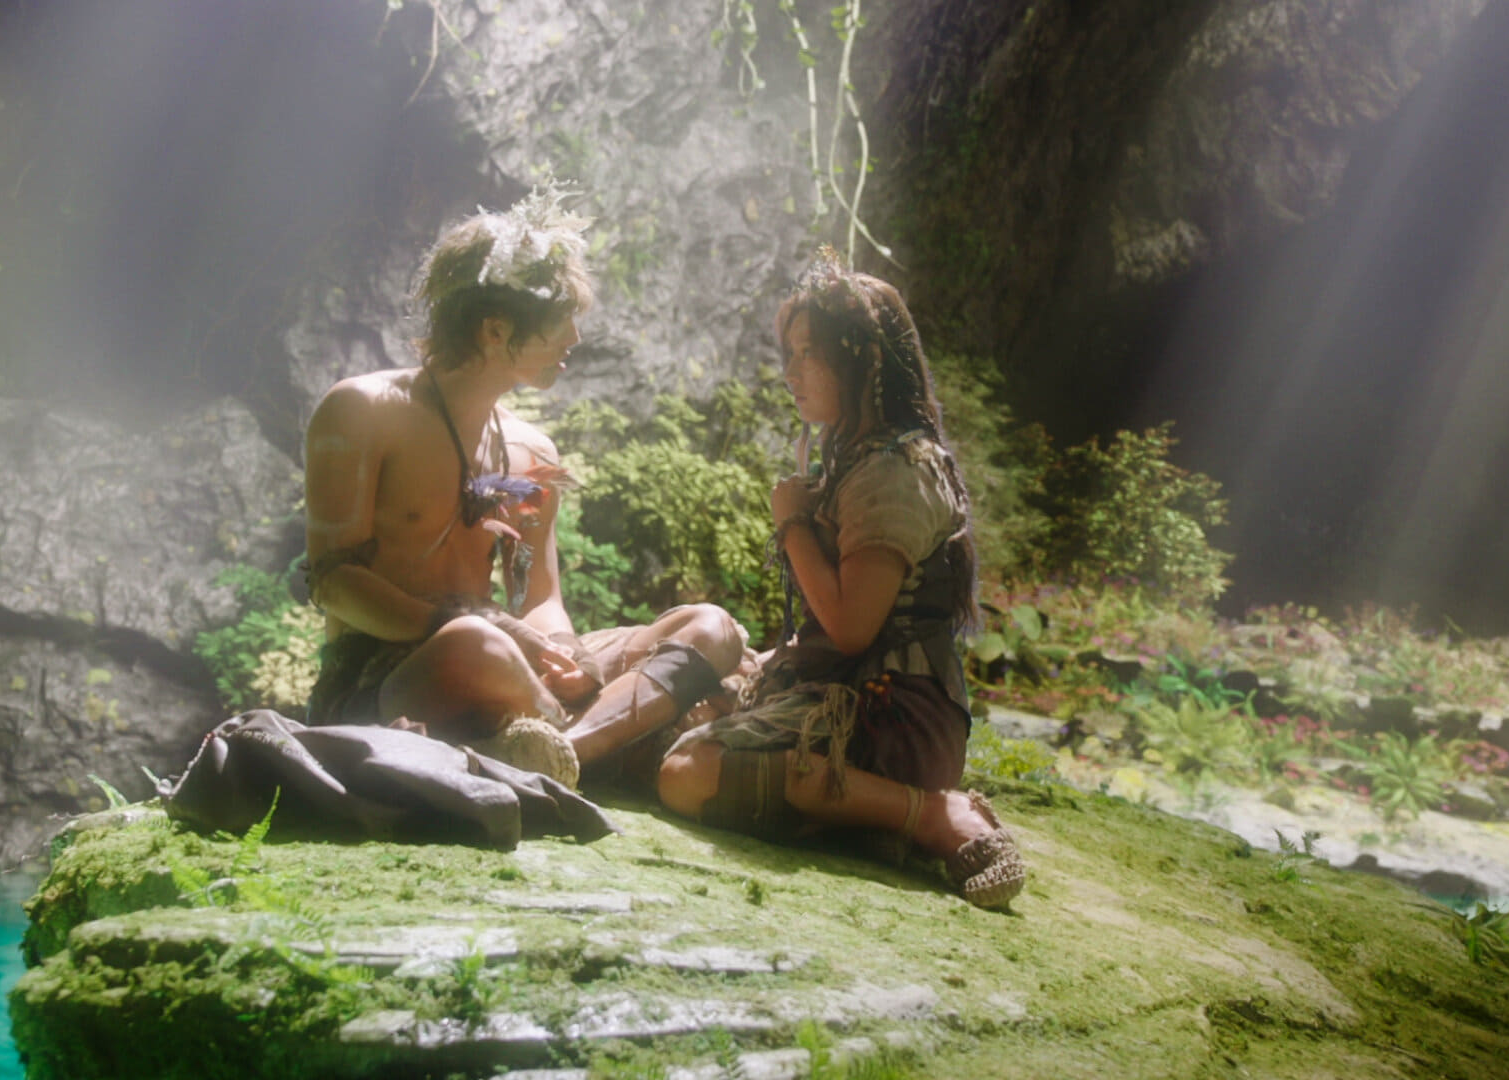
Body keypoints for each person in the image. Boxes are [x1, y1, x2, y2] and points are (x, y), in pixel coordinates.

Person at [301, 186, 746, 789]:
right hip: (398, 674)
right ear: (494, 329)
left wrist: (567, 653)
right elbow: (333, 582)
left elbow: (541, 596)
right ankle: (588, 736)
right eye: (562, 322)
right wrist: (489, 631)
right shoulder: (364, 410)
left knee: (710, 628)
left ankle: (560, 750)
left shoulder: (533, 450)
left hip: (510, 662)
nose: (575, 339)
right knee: (476, 647)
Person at [656, 251, 1027, 909]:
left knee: (687, 772)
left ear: (865, 361)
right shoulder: (861, 456)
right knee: (684, 708)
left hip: (892, 716)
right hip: (850, 690)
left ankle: (933, 815)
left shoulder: (893, 472)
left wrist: (792, 525)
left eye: (810, 354)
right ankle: (857, 820)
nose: (791, 372)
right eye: (790, 353)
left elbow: (853, 630)